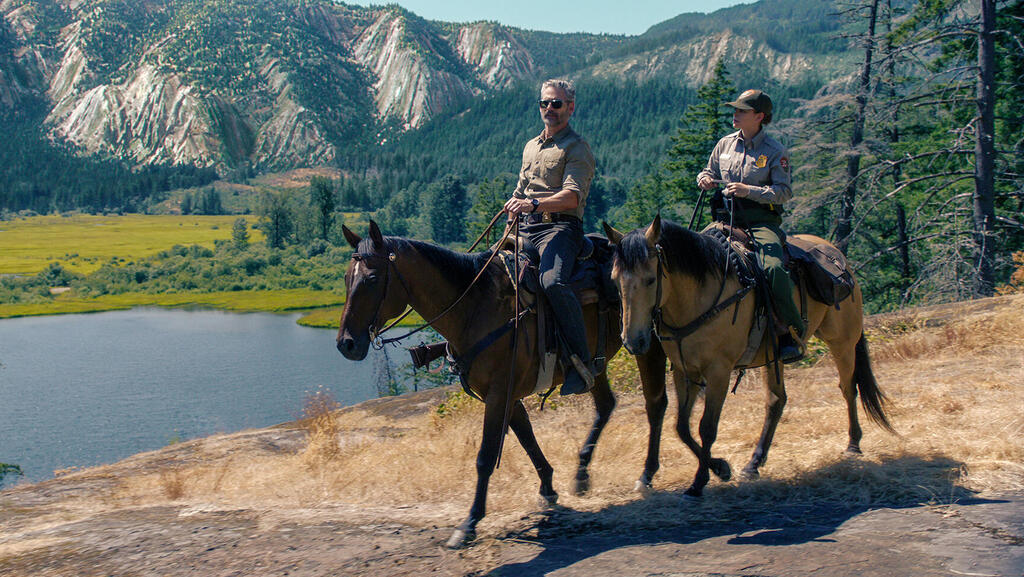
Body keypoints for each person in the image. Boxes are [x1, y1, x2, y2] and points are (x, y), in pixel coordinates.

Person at [697, 89, 805, 362]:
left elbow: (783, 192)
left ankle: (788, 331)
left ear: (759, 117)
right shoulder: (724, 144)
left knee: (773, 269)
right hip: (724, 219)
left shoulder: (775, 151)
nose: (735, 114)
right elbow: (708, 171)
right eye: (735, 109)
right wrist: (705, 179)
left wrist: (750, 191)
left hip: (760, 221)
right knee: (691, 259)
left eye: (742, 111)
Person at [503, 78, 597, 394]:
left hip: (561, 228)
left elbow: (572, 196)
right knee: (489, 273)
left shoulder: (577, 148)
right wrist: (513, 213)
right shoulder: (531, 145)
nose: (549, 109)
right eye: (545, 103)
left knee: (551, 282)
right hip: (526, 226)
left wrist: (532, 203)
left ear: (570, 107)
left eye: (556, 103)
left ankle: (580, 363)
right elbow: (521, 188)